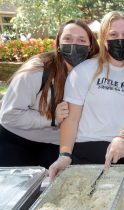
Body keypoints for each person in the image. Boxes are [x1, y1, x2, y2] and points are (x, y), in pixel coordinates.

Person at [49, 11, 124, 178]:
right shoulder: (84, 70)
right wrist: (64, 155)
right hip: (85, 150)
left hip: (120, 149)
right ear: (103, 38)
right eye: (113, 34)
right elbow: (71, 118)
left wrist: (122, 138)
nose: (120, 39)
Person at [0, 20, 99, 168]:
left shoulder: (94, 73)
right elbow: (8, 115)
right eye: (68, 39)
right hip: (17, 141)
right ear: (58, 44)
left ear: (90, 46)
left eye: (81, 40)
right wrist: (52, 118)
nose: (74, 44)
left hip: (55, 145)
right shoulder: (38, 70)